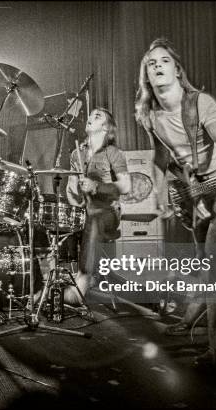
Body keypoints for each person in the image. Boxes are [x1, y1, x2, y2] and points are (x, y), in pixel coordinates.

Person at [134, 38, 216, 366]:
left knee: (214, 260)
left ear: (177, 70)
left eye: (164, 60)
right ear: (147, 76)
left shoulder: (200, 103)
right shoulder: (149, 116)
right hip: (193, 193)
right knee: (215, 263)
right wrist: (162, 191)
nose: (156, 65)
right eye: (150, 63)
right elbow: (160, 158)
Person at [65, 108, 131, 303]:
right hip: (85, 210)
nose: (90, 118)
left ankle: (83, 279)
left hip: (108, 212)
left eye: (97, 116)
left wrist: (97, 186)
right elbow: (72, 192)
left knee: (94, 218)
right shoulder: (77, 154)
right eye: (90, 114)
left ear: (106, 127)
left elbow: (126, 186)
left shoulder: (113, 153)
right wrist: (75, 190)